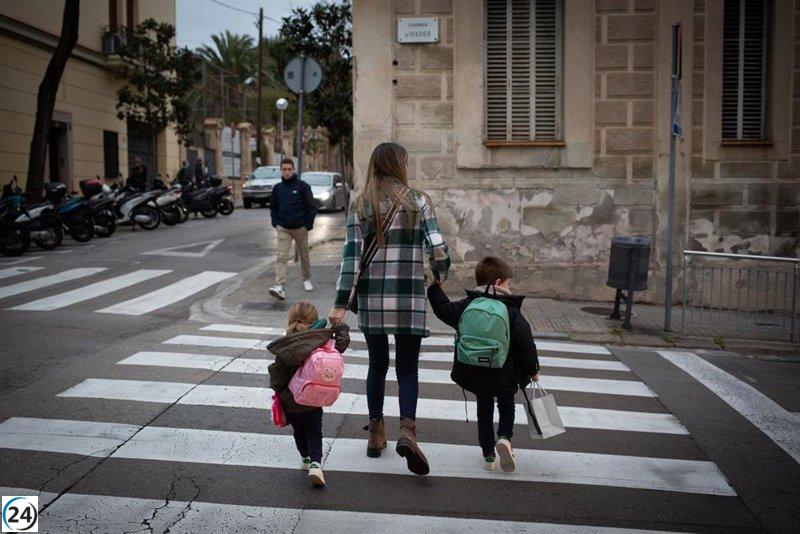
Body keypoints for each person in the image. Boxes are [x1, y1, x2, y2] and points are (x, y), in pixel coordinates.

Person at [328, 142, 450, 476]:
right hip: (409, 299)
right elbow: (438, 250)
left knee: (377, 365)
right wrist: (440, 274)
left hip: (373, 301)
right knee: (408, 369)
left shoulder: (361, 204)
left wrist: (341, 304)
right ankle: (407, 432)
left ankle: (376, 433)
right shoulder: (419, 201)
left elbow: (351, 260)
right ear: (399, 166)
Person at [427, 256, 539, 473]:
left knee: (484, 409)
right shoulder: (511, 310)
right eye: (507, 283)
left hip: (475, 371)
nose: (509, 287)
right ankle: (505, 438)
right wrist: (533, 370)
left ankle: (488, 454)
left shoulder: (468, 305)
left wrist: (434, 288)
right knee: (506, 405)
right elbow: (526, 344)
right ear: (497, 283)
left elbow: (443, 309)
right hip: (504, 373)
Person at [267, 302, 350, 488]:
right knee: (315, 432)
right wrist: (339, 326)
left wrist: (279, 391)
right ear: (314, 320)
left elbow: (278, 377)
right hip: (314, 398)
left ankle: (305, 458)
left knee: (299, 431)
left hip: (292, 400)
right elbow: (342, 344)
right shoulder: (319, 339)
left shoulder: (285, 345)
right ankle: (316, 464)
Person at [268, 159, 317, 300]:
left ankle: (306, 278)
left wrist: (308, 225)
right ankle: (279, 286)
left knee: (304, 255)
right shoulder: (277, 188)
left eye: (289, 169)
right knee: (281, 257)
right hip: (283, 228)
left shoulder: (302, 186)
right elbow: (273, 207)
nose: (287, 172)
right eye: (284, 169)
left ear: (293, 170)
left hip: (301, 227)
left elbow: (311, 206)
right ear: (281, 170)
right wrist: (275, 223)